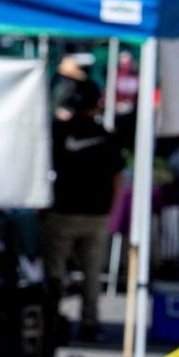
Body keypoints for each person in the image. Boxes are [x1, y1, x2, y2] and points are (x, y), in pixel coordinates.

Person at [44, 80, 123, 342]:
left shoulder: (58, 131)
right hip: (97, 213)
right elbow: (117, 177)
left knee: (55, 271)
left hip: (62, 211)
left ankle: (50, 319)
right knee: (92, 272)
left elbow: (43, 171)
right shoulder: (107, 136)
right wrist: (112, 209)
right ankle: (90, 323)